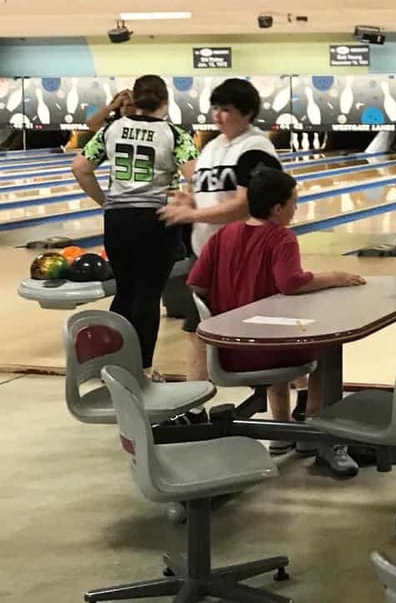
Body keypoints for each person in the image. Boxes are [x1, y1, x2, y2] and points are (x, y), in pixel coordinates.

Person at [187, 167, 364, 453]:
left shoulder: (223, 235)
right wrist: (335, 277)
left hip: (226, 351)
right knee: (327, 347)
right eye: (294, 202)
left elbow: (197, 285)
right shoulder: (281, 237)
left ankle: (281, 431)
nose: (297, 208)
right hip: (266, 349)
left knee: (277, 335)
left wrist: (227, 310)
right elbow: (291, 282)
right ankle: (313, 430)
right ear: (277, 208)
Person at [159, 78, 282, 393]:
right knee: (196, 331)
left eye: (226, 109)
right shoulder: (212, 147)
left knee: (265, 333)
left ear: (247, 112)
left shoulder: (255, 149)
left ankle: (298, 391)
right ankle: (193, 403)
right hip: (209, 256)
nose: (217, 115)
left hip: (245, 258)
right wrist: (190, 201)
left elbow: (244, 205)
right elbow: (208, 194)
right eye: (215, 108)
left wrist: (192, 215)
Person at [71, 75, 198, 375]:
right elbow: (196, 176)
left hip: (118, 220)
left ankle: (112, 367)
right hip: (156, 221)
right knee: (147, 295)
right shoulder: (174, 134)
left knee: (125, 291)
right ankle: (143, 370)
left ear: (136, 99)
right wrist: (189, 205)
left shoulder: (112, 129)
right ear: (166, 101)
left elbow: (80, 168)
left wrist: (106, 202)